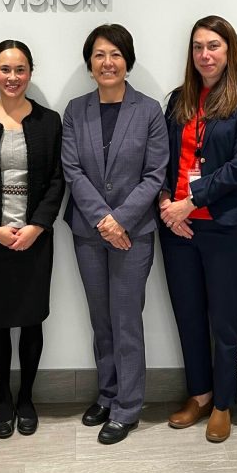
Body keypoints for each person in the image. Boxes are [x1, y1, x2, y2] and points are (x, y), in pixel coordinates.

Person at [160, 15, 237, 443]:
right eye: (198, 47)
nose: (205, 55)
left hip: (224, 227)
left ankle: (223, 403)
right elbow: (161, 158)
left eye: (214, 46)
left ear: (229, 50)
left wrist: (191, 201)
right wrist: (166, 203)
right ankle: (199, 395)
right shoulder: (178, 99)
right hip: (178, 229)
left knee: (224, 320)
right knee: (187, 315)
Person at [62, 24, 168, 444]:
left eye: (116, 54)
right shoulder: (76, 110)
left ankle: (127, 407)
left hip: (133, 233)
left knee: (126, 321)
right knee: (101, 319)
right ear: (89, 63)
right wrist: (103, 220)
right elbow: (72, 170)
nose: (108, 63)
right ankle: (107, 394)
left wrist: (120, 219)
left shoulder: (149, 110)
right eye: (100, 55)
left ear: (128, 61)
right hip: (89, 233)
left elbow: (155, 173)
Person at [0, 41, 64, 439]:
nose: (13, 77)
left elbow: (57, 180)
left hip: (36, 238)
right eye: (5, 69)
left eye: (20, 69)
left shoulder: (49, 121)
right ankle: (4, 399)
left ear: (30, 73)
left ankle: (27, 398)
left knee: (32, 320)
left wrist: (37, 226)